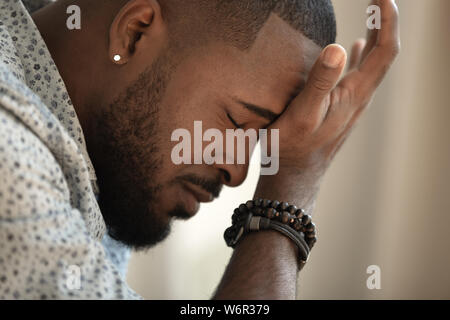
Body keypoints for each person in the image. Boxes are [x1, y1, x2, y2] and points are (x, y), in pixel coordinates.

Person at [0, 0, 400, 299]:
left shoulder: (93, 150)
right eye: (237, 122)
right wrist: (291, 187)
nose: (239, 172)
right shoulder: (9, 151)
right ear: (135, 32)